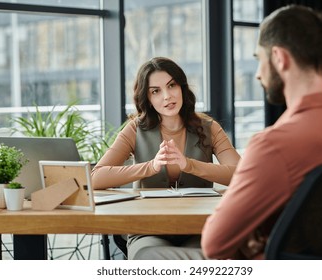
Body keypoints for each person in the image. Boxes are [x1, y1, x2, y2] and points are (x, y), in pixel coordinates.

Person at [201, 4, 322, 260]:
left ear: (279, 58)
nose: (257, 74)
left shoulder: (272, 144)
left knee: (155, 256)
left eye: (259, 60)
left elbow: (214, 245)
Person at [91, 56, 240, 259]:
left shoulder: (210, 128)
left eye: (172, 85)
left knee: (207, 253)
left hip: (199, 227)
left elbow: (241, 175)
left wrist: (189, 165)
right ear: (148, 99)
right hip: (147, 229)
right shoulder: (135, 129)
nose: (167, 96)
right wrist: (150, 167)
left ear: (182, 88)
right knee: (148, 255)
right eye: (156, 91)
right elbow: (95, 177)